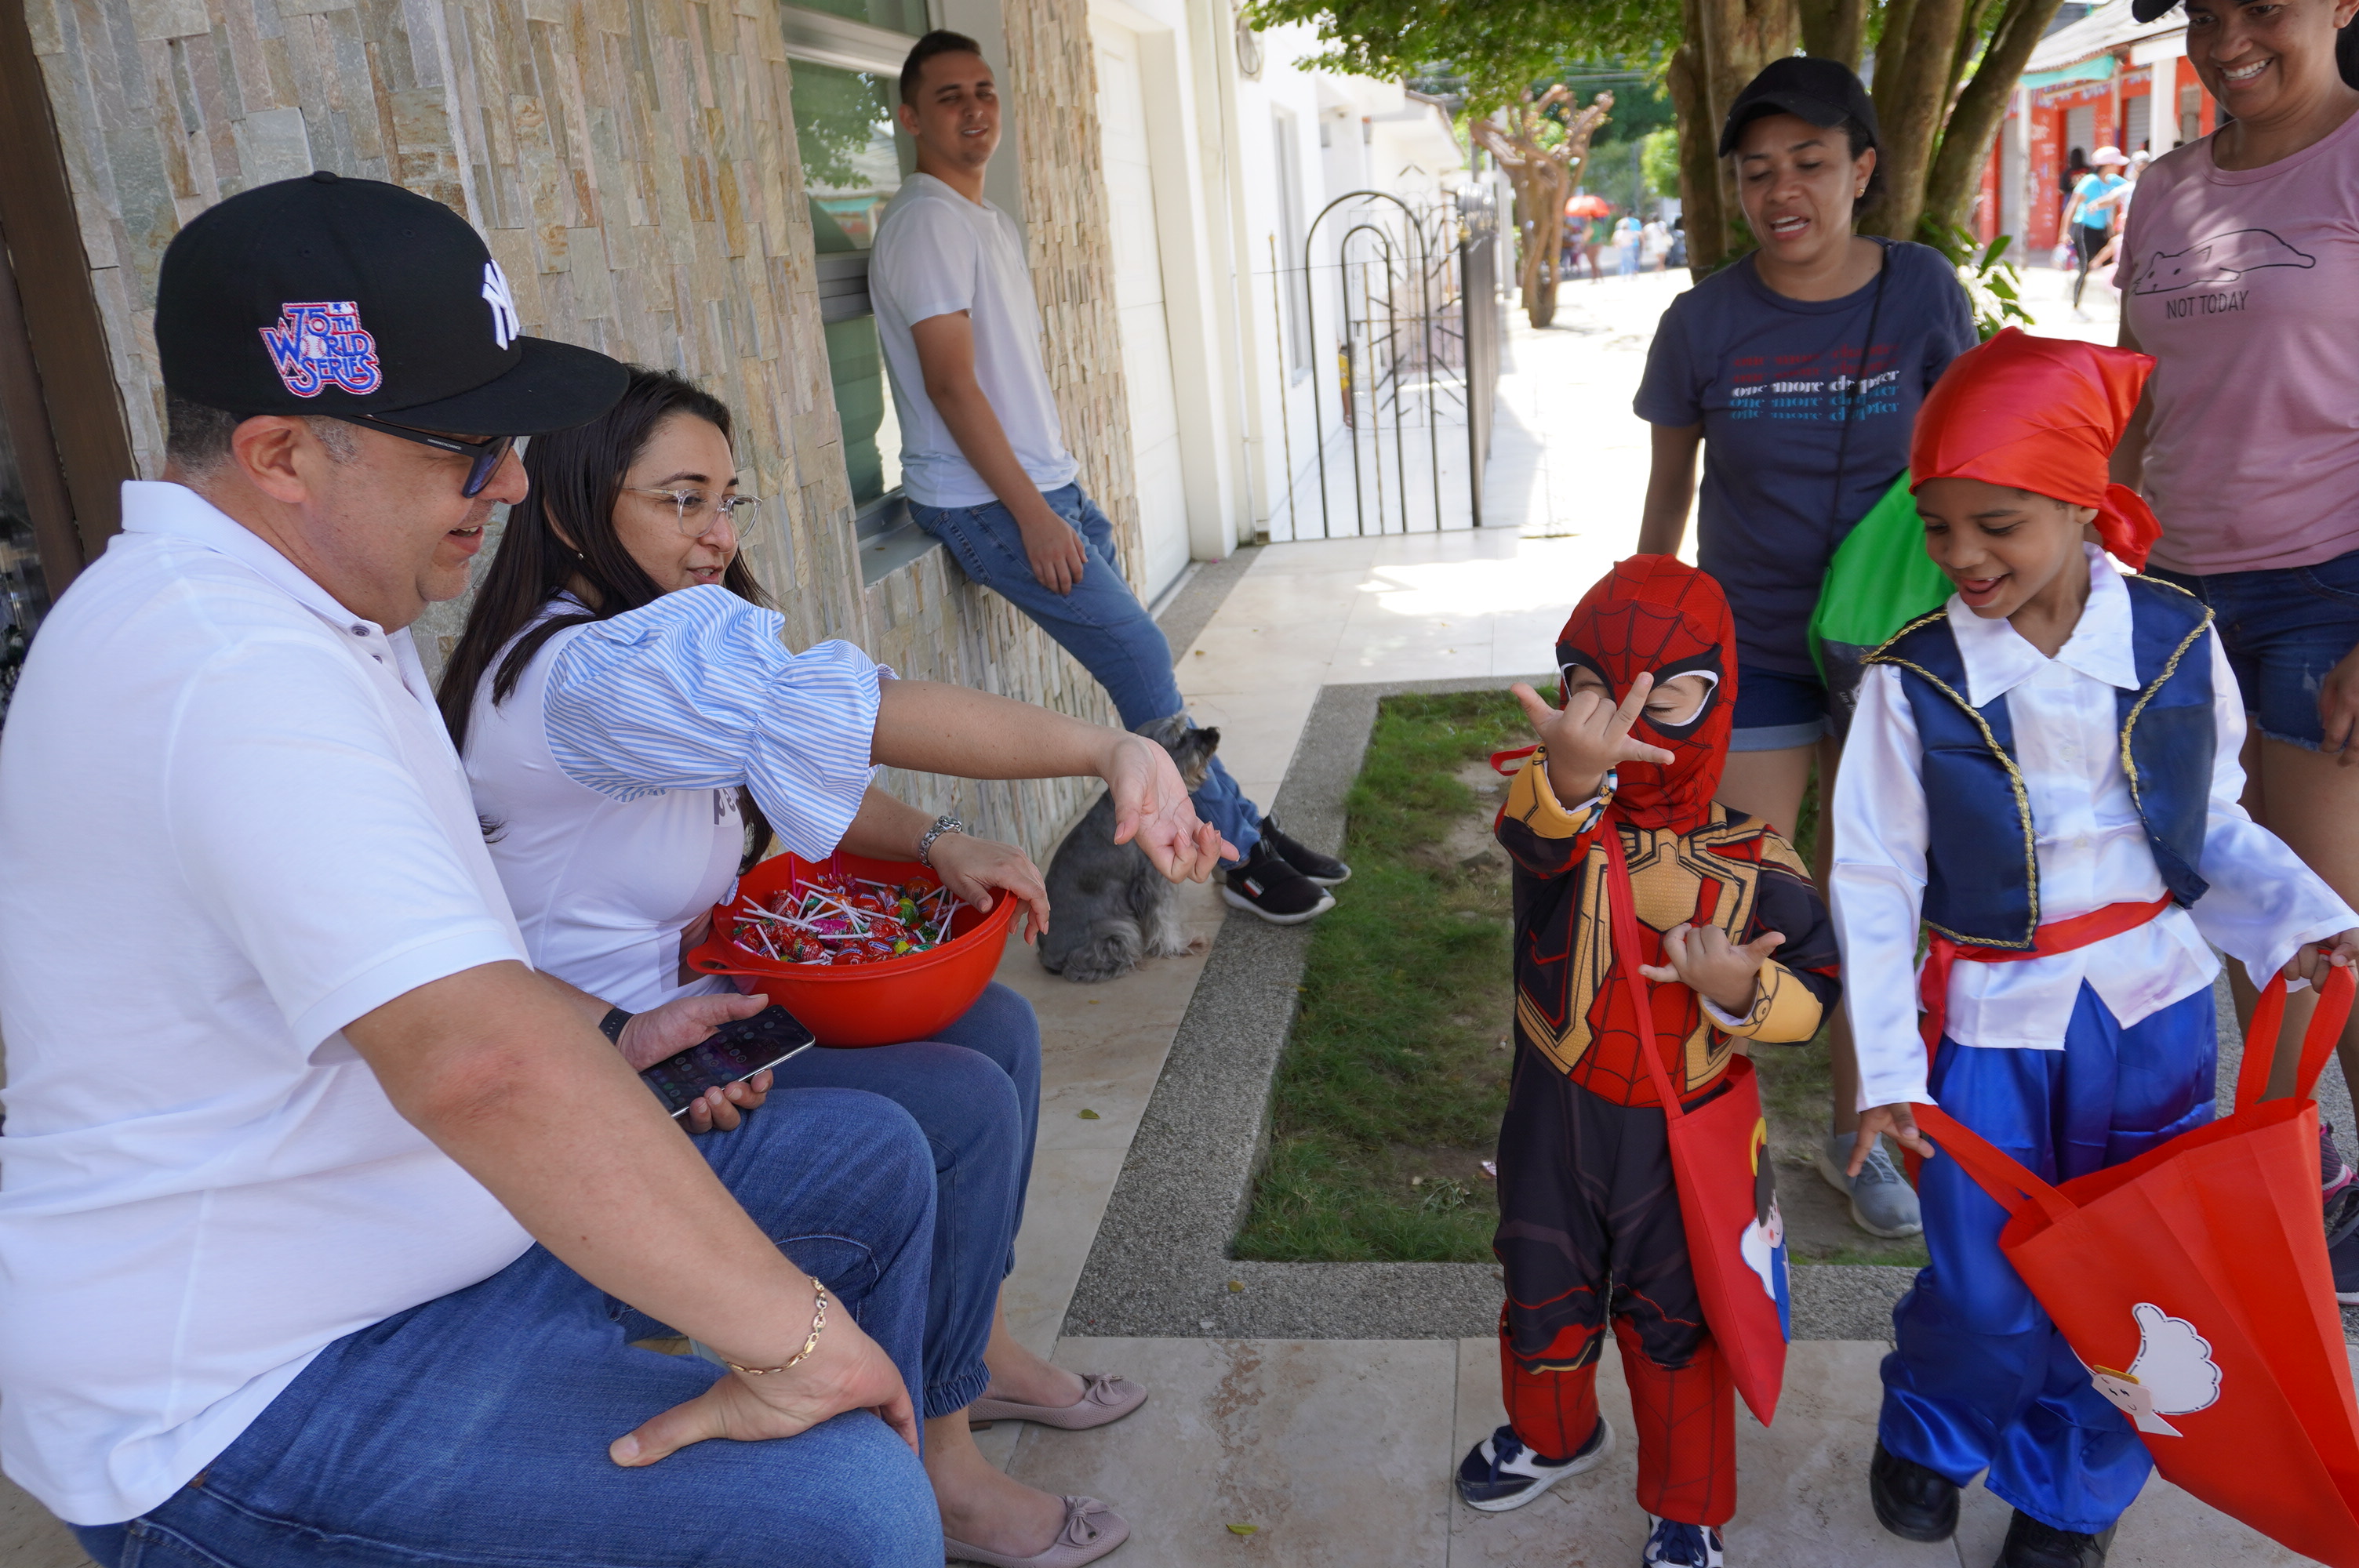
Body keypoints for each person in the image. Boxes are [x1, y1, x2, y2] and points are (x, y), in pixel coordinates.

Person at [0, 175, 964, 1567]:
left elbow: (443, 992)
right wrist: (800, 1345)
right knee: (840, 1515)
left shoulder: (321, 605)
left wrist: (620, 1031)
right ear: (280, 452)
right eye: (469, 445)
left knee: (868, 1160)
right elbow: (477, 1068)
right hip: (242, 1385)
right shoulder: (225, 667)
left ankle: (933, 1477)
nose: (512, 481)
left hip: (421, 1233)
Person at [438, 366, 1201, 1567]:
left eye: (727, 500)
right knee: (945, 1110)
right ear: (580, 511)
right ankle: (938, 1471)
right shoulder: (588, 678)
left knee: (996, 1034)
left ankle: (970, 1351)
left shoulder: (628, 655)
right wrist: (1107, 746)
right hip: (608, 1084)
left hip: (688, 1031)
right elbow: (853, 708)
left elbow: (802, 761)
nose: (717, 535)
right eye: (681, 500)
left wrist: (941, 843)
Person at [1835, 328, 2359, 1568]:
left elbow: (2212, 821)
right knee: (1981, 1281)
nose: (1963, 555)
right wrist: (1887, 1067)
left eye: (1998, 524)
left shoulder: (2179, 639)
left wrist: (2305, 917)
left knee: (2142, 1280)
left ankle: (2070, 1495)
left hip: (2152, 1015)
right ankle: (1934, 1414)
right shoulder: (1910, 685)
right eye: (1940, 524)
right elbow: (1871, 877)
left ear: (2082, 507)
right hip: (1990, 1028)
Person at [868, 29, 1348, 925]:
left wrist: (1057, 502)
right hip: (990, 502)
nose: (974, 109)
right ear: (908, 117)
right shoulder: (926, 221)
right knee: (1142, 660)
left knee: (1150, 688)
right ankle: (1237, 857)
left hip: (1046, 489)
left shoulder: (983, 219)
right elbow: (949, 384)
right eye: (947, 97)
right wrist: (1034, 518)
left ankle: (1248, 829)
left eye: (983, 91)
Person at [1633, 55, 1976, 1242]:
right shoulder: (1703, 320)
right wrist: (1647, 625)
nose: (1784, 190)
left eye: (1812, 163)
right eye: (1758, 169)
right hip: (1760, 641)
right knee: (1751, 888)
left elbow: (1964, 460)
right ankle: (1715, 1127)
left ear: (1863, 171)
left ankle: (1859, 1127)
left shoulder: (1925, 291)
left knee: (1873, 891)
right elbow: (1670, 485)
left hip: (1902, 646)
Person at [1457, 556, 1840, 1568]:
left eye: (1665, 700)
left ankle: (1687, 1505)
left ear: (1710, 704)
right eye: (1591, 694)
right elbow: (1536, 834)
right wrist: (1573, 776)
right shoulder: (1561, 827)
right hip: (1556, 1111)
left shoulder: (1760, 864)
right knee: (1540, 1286)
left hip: (1690, 1137)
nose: (1623, 725)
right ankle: (1553, 1432)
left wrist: (1740, 992)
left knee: (1679, 1325)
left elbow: (1817, 999)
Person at [2112, 0, 2359, 1300]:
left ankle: (2315, 1179)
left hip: (2330, 586)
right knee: (2232, 919)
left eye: (2261, 6)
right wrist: (2090, 576)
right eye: (2204, 13)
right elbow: (2131, 400)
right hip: (2172, 595)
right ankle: (2296, 1170)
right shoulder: (2162, 189)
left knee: (2325, 926)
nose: (2227, 38)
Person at [2063, 146, 2129, 314]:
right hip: (2084, 228)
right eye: (2116, 163)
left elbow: (2132, 186)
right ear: (2108, 164)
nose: (2118, 167)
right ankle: (2075, 307)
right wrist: (2063, 233)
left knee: (2115, 264)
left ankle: (2119, 307)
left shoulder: (2114, 180)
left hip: (2101, 230)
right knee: (2085, 267)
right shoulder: (2090, 181)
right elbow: (2072, 206)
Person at [2085, 148, 2148, 278]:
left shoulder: (2156, 188)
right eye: (2139, 171)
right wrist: (2096, 204)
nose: (2143, 174)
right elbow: (2112, 198)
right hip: (2131, 233)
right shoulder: (2130, 187)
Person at [1614, 212, 1644, 277]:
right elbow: (1640, 233)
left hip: (1623, 244)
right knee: (1635, 259)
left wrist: (1617, 245)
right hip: (1635, 243)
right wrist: (1642, 242)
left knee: (1624, 260)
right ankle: (1634, 272)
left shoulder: (1620, 222)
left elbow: (1617, 235)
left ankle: (1624, 273)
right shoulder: (1636, 221)